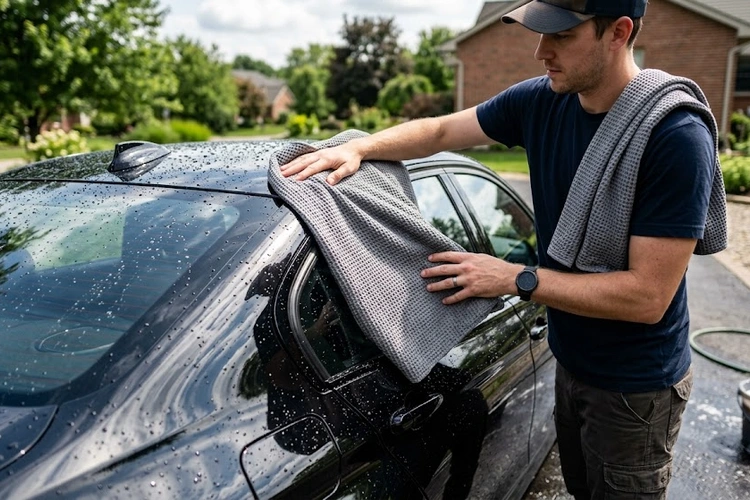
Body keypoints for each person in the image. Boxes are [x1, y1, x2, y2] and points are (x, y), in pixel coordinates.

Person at [280, 0, 726, 498]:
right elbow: (443, 131)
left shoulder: (673, 136)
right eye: (539, 33)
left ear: (618, 31)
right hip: (569, 358)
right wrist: (359, 147)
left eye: (560, 35)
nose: (541, 51)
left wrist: (516, 277)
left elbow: (648, 298)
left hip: (635, 389)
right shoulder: (541, 102)